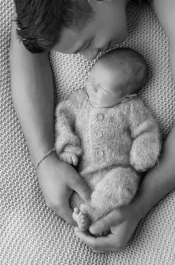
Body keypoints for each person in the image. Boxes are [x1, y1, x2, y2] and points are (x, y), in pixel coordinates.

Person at [10, 0, 175, 253]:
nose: (89, 59)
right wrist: (44, 159)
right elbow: (24, 34)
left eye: (87, 43)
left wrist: (136, 205)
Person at [54, 48, 161, 231]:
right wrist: (68, 147)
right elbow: (63, 118)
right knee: (71, 187)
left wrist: (142, 155)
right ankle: (82, 216)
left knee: (122, 183)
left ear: (126, 96)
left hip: (116, 172)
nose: (92, 87)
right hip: (82, 176)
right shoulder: (79, 100)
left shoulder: (132, 108)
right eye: (91, 78)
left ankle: (91, 214)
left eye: (102, 88)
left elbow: (146, 130)